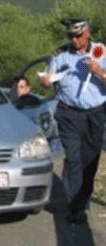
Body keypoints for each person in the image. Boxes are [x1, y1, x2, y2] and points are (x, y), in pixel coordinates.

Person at [39, 17, 106, 225]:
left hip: (95, 114)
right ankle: (76, 207)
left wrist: (100, 73)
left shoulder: (101, 52)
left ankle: (82, 198)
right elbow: (47, 81)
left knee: (90, 160)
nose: (74, 40)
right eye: (71, 36)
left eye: (78, 36)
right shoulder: (61, 54)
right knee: (74, 158)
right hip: (68, 113)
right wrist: (44, 82)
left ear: (88, 33)